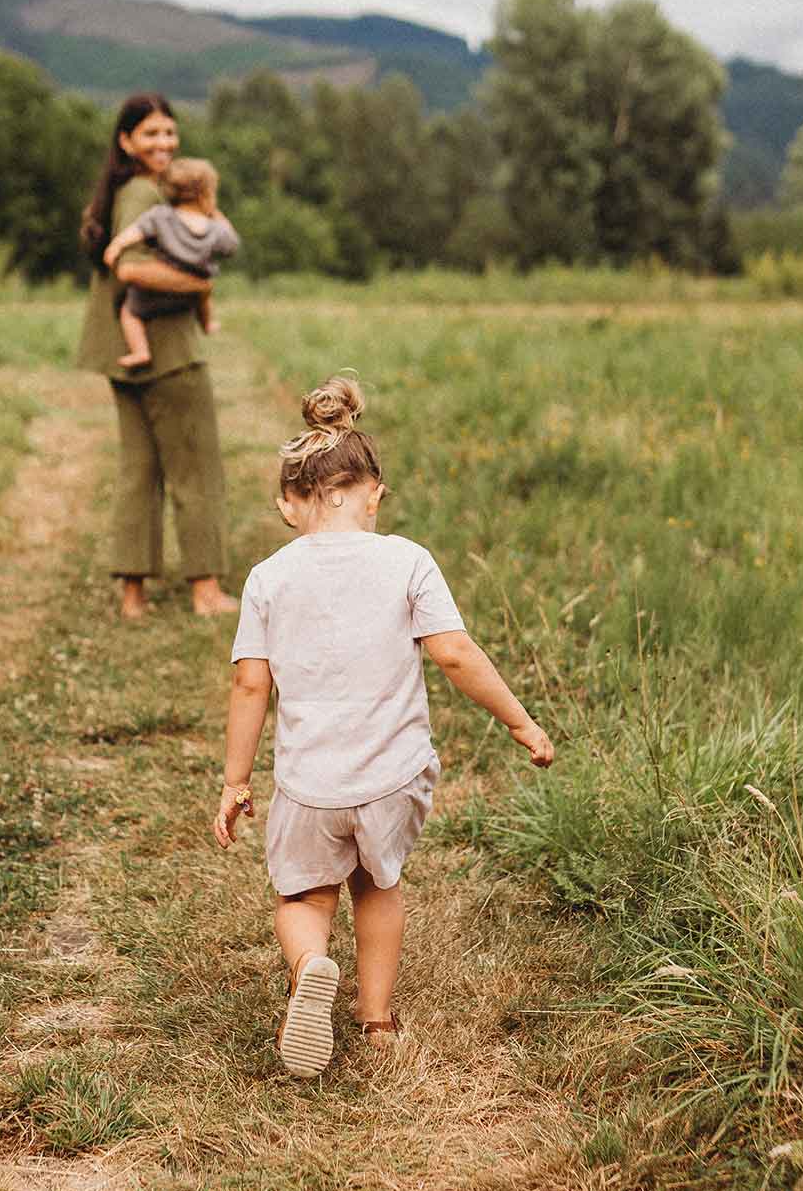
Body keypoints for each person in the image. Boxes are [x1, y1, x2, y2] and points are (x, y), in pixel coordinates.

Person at [214, 374, 554, 1077]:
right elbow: (454, 654)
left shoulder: (268, 577)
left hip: (311, 784)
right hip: (389, 780)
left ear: (289, 503)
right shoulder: (407, 561)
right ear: (373, 494)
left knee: (303, 897)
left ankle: (311, 963)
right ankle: (376, 1022)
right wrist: (521, 723)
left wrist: (236, 780)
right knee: (378, 886)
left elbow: (251, 681)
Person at [77, 94, 237, 620]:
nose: (164, 143)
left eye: (170, 132)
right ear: (125, 141)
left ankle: (133, 596)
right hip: (168, 353)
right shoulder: (149, 194)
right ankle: (206, 591)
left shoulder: (125, 190)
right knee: (196, 466)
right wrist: (198, 281)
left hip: (123, 351)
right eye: (150, 134)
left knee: (140, 469)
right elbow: (131, 270)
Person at [101, 155, 237, 372]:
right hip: (192, 295)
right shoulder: (215, 228)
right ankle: (208, 323)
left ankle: (140, 351)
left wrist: (116, 245)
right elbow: (231, 245)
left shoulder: (161, 216)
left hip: (157, 292)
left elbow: (137, 231)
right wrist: (216, 215)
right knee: (205, 290)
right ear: (206, 194)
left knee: (129, 312)